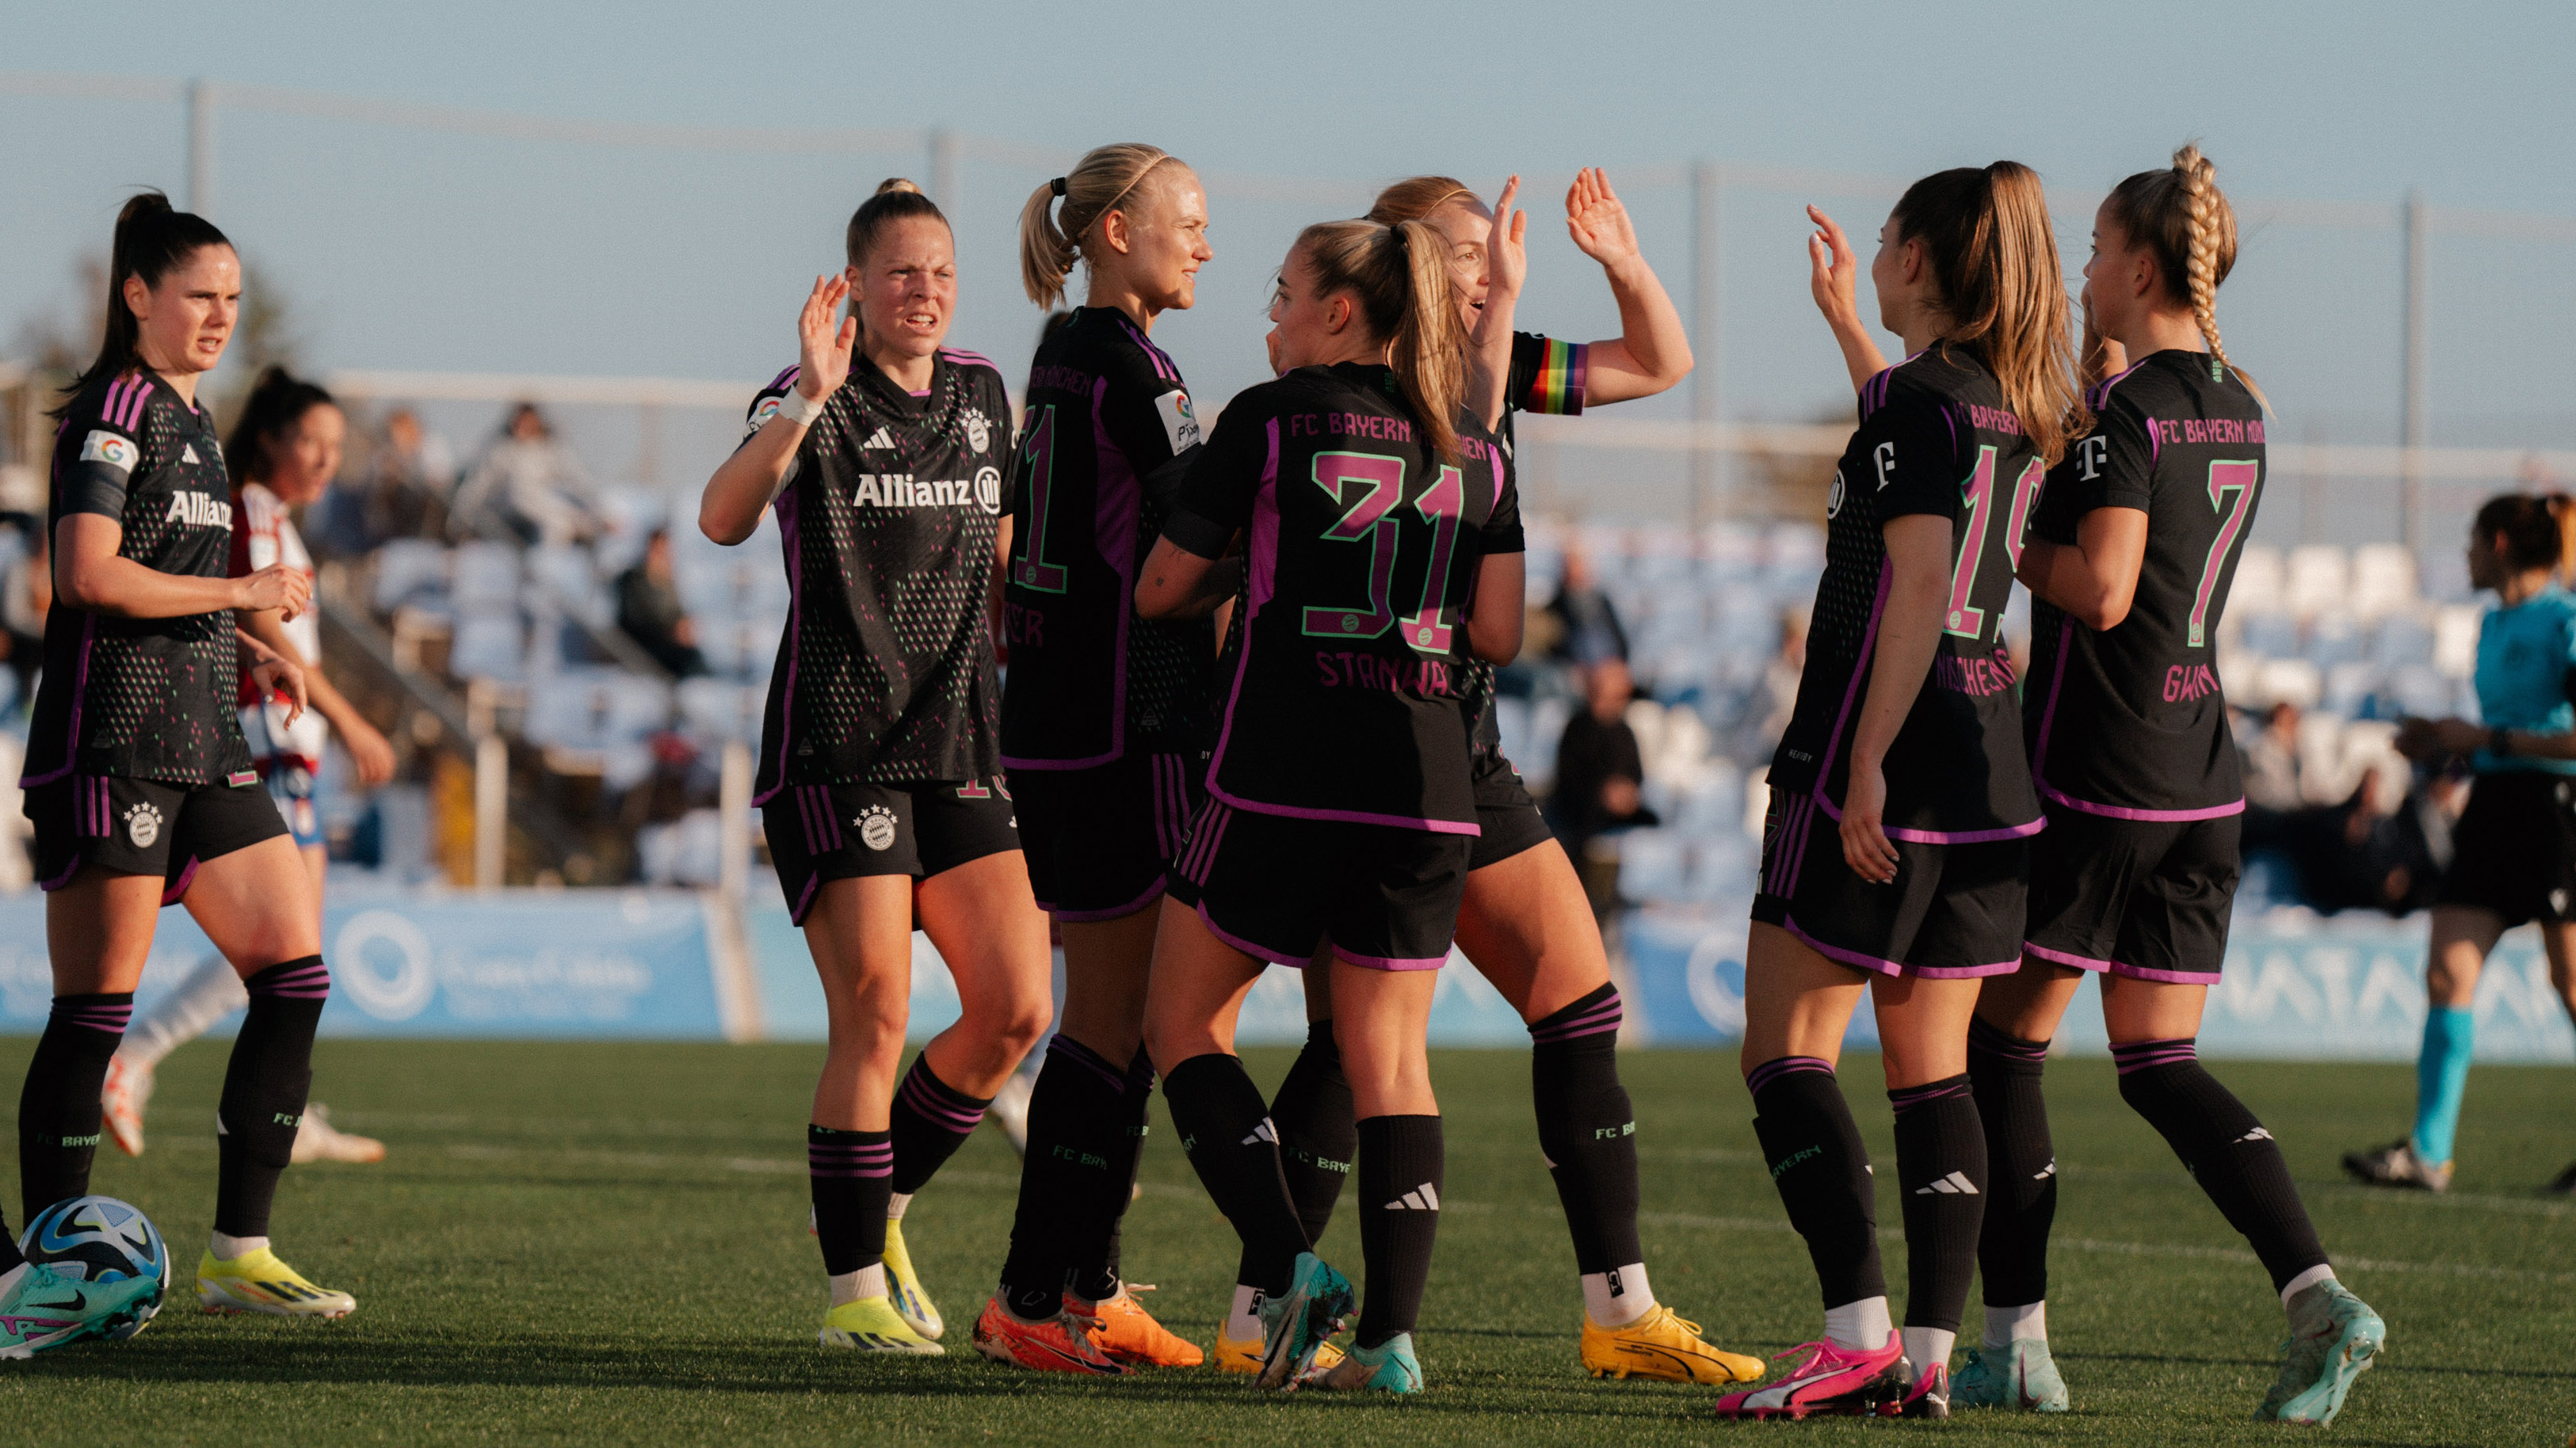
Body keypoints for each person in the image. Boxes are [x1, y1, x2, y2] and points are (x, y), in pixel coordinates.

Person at [1248, 170, 1757, 1388]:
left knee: (1572, 1006)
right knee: (1349, 1042)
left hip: (1458, 748)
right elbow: (1459, 442)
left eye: (1491, 255)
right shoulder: (1355, 389)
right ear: (1402, 263)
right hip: (1372, 740)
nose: (1487, 272)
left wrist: (1622, 261)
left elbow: (1659, 361)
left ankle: (1616, 1308)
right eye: (1466, 254)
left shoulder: (1504, 353)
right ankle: (1264, 1301)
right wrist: (1496, 323)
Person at [1966, 146, 2386, 1426]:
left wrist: (2002, 529)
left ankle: (2017, 1344)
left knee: (2003, 1044)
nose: (2081, 270)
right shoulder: (2234, 401)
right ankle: (2317, 1295)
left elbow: (2098, 586)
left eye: (2094, 250)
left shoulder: (2133, 415)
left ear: (2140, 266)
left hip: (2099, 769)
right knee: (2157, 1062)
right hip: (2202, 772)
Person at [1138, 215, 1525, 1395]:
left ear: (1342, 313)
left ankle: (1286, 1262)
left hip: (1283, 769)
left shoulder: (1268, 419)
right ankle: (1392, 1347)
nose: (1273, 313)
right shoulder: (1476, 444)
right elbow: (1499, 633)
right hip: (1427, 784)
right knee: (1389, 1063)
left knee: (1182, 1026)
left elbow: (1160, 587)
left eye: (1286, 293)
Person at [1715, 162, 2076, 1421]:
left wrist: (1860, 760)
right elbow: (1924, 442)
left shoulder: (1911, 408)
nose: (1868, 253)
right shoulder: (2003, 402)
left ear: (1918, 260)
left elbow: (1912, 585)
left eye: (1879, 242)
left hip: (1875, 761)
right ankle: (1922, 1356)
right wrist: (1841, 321)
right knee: (1929, 1073)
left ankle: (1852, 1331)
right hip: (1988, 774)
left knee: (1782, 1051)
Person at [697, 179, 1052, 1357]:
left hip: (961, 745)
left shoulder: (985, 394)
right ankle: (853, 1294)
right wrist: (804, 395)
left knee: (1013, 1008)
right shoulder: (812, 394)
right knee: (877, 1012)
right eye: (902, 272)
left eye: (942, 272)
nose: (926, 292)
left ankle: (882, 1205)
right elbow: (720, 516)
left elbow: (1004, 556)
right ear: (853, 283)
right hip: (837, 749)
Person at [4, 192, 353, 1356]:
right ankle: (47, 1264)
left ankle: (239, 1258)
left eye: (232, 301)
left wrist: (248, 645)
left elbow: (171, 581)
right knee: (92, 1014)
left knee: (295, 974)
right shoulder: (114, 409)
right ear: (138, 297)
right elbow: (89, 576)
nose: (218, 317)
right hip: (111, 748)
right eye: (198, 295)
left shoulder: (194, 423)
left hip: (205, 746)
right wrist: (245, 598)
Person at [977, 143, 1215, 1375]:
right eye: (1187, 219)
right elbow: (1196, 532)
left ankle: (1084, 1285)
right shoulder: (1124, 361)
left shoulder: (1067, 350)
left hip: (1062, 717)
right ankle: (1033, 1294)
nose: (1205, 243)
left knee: (1113, 1025)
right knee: (1110, 1024)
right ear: (1115, 229)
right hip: (1115, 724)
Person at [97, 366, 398, 1167]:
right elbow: (264, 622)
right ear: (272, 439)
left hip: (278, 748)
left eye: (337, 446)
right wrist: (355, 721)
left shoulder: (268, 515)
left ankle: (277, 1109)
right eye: (313, 441)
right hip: (268, 744)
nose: (327, 459)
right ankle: (136, 1059)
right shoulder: (255, 508)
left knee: (294, 952)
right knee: (286, 950)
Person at [2345, 493, 2576, 1196]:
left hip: (2556, 811)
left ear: (2500, 542)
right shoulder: (2492, 621)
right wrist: (2443, 745)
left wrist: (2486, 740)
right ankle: (2429, 1153)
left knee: (2571, 982)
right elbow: (2496, 730)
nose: (2466, 553)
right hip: (2495, 807)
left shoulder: (2564, 621)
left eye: (2473, 540)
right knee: (2447, 973)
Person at [1551, 656, 1656, 923]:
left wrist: (1626, 796)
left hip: (1618, 819)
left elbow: (1636, 778)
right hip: (1582, 818)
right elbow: (1570, 780)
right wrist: (1603, 795)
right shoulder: (1577, 728)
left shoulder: (1624, 732)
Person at [451, 402, 601, 546]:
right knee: (524, 497)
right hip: (509, 509)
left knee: (559, 518)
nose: (522, 427)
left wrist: (597, 506)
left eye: (527, 422)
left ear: (537, 422)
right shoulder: (502, 450)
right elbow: (479, 483)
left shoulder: (550, 449)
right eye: (519, 422)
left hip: (544, 508)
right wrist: (461, 514)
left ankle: (572, 532)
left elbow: (577, 478)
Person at [614, 528, 708, 677]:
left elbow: (677, 612)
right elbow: (634, 620)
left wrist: (684, 626)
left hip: (668, 643)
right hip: (642, 645)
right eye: (658, 550)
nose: (662, 555)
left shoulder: (668, 581)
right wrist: (670, 631)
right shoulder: (632, 580)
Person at [362, 406, 456, 545]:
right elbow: (375, 484)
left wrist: (408, 470)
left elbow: (440, 482)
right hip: (399, 510)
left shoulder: (432, 445)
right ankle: (385, 540)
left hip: (428, 504)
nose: (395, 438)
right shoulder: (387, 452)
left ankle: (429, 540)